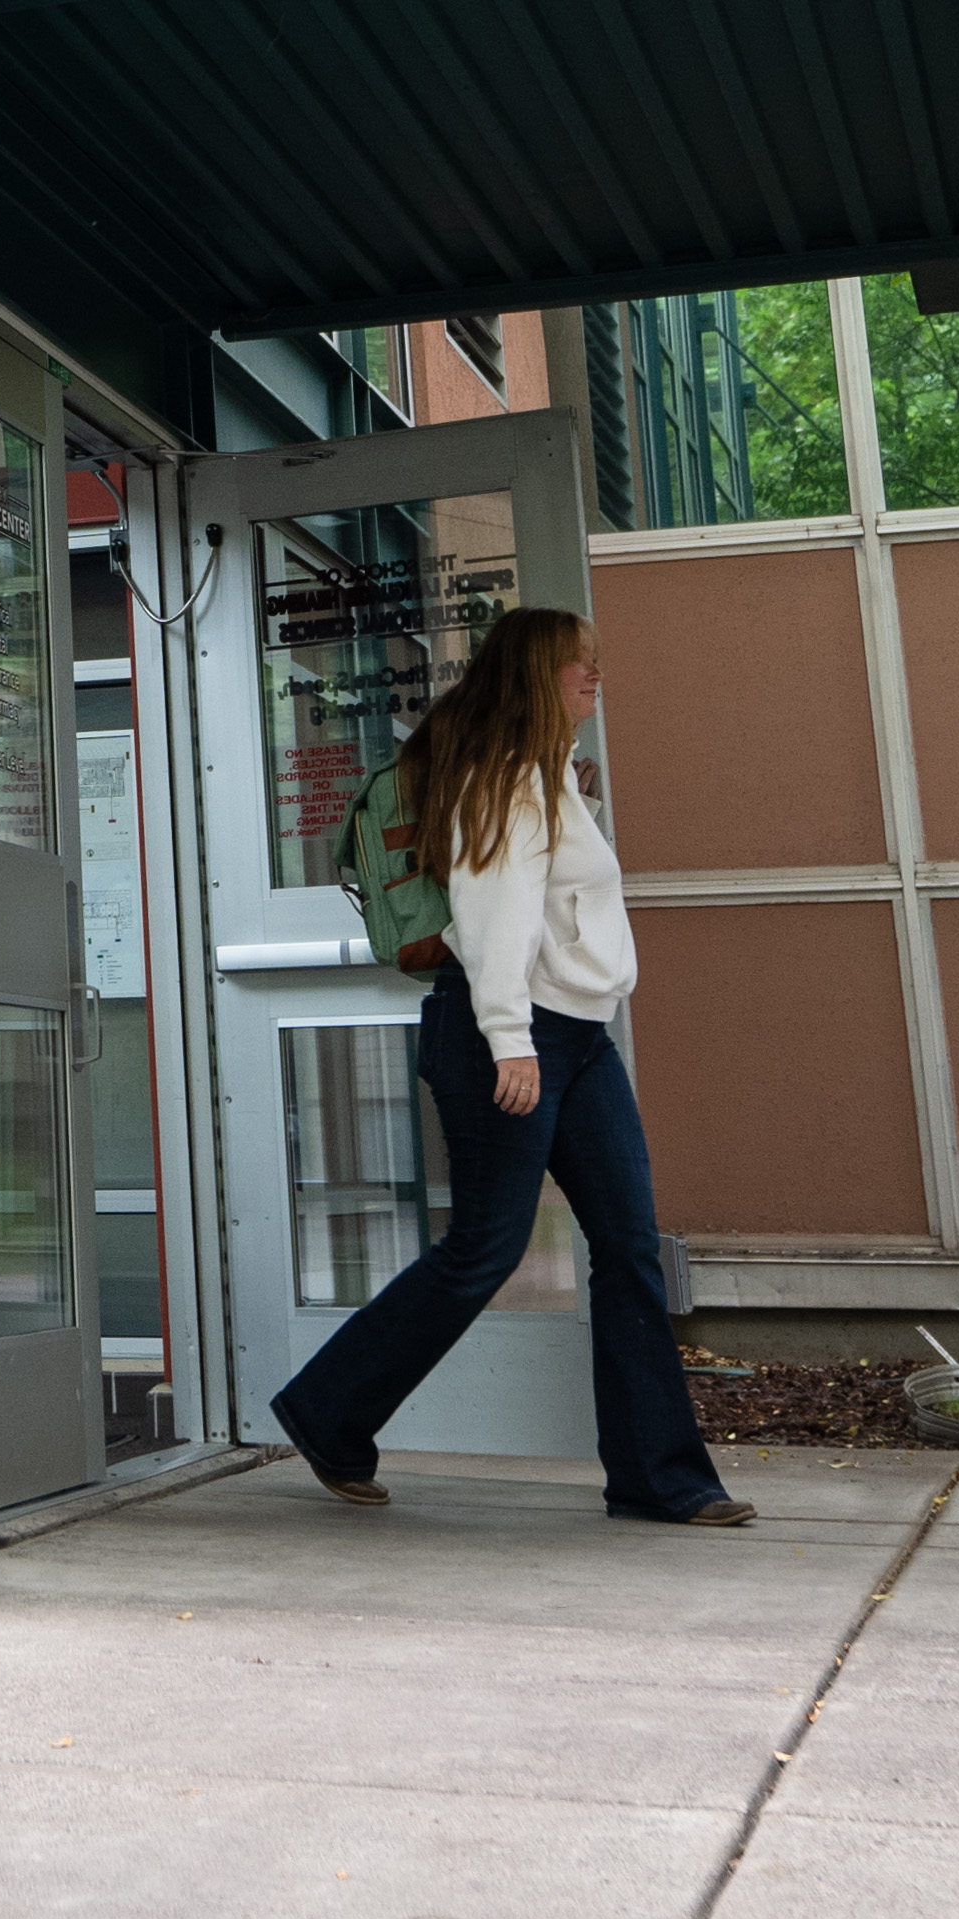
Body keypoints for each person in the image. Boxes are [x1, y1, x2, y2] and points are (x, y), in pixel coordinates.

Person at [267, 604, 751, 1526]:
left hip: (576, 1034)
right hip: (512, 1032)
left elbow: (557, 901)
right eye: (579, 665)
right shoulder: (505, 779)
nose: (593, 678)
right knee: (485, 1250)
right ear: (538, 675)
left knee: (627, 1248)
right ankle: (329, 1409)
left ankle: (659, 1476)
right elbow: (493, 922)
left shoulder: (551, 779)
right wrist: (510, 1039)